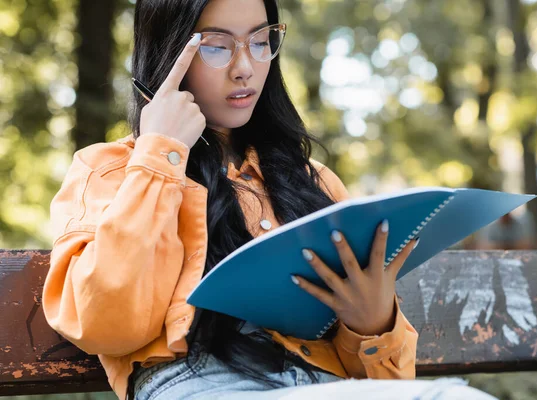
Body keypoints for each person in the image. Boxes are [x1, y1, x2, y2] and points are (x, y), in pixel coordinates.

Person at [42, 0, 498, 399]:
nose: (245, 66)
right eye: (216, 45)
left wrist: (372, 325)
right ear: (166, 52)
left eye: (261, 41)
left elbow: (387, 385)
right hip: (199, 385)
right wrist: (162, 154)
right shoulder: (110, 170)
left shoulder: (311, 182)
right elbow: (106, 324)